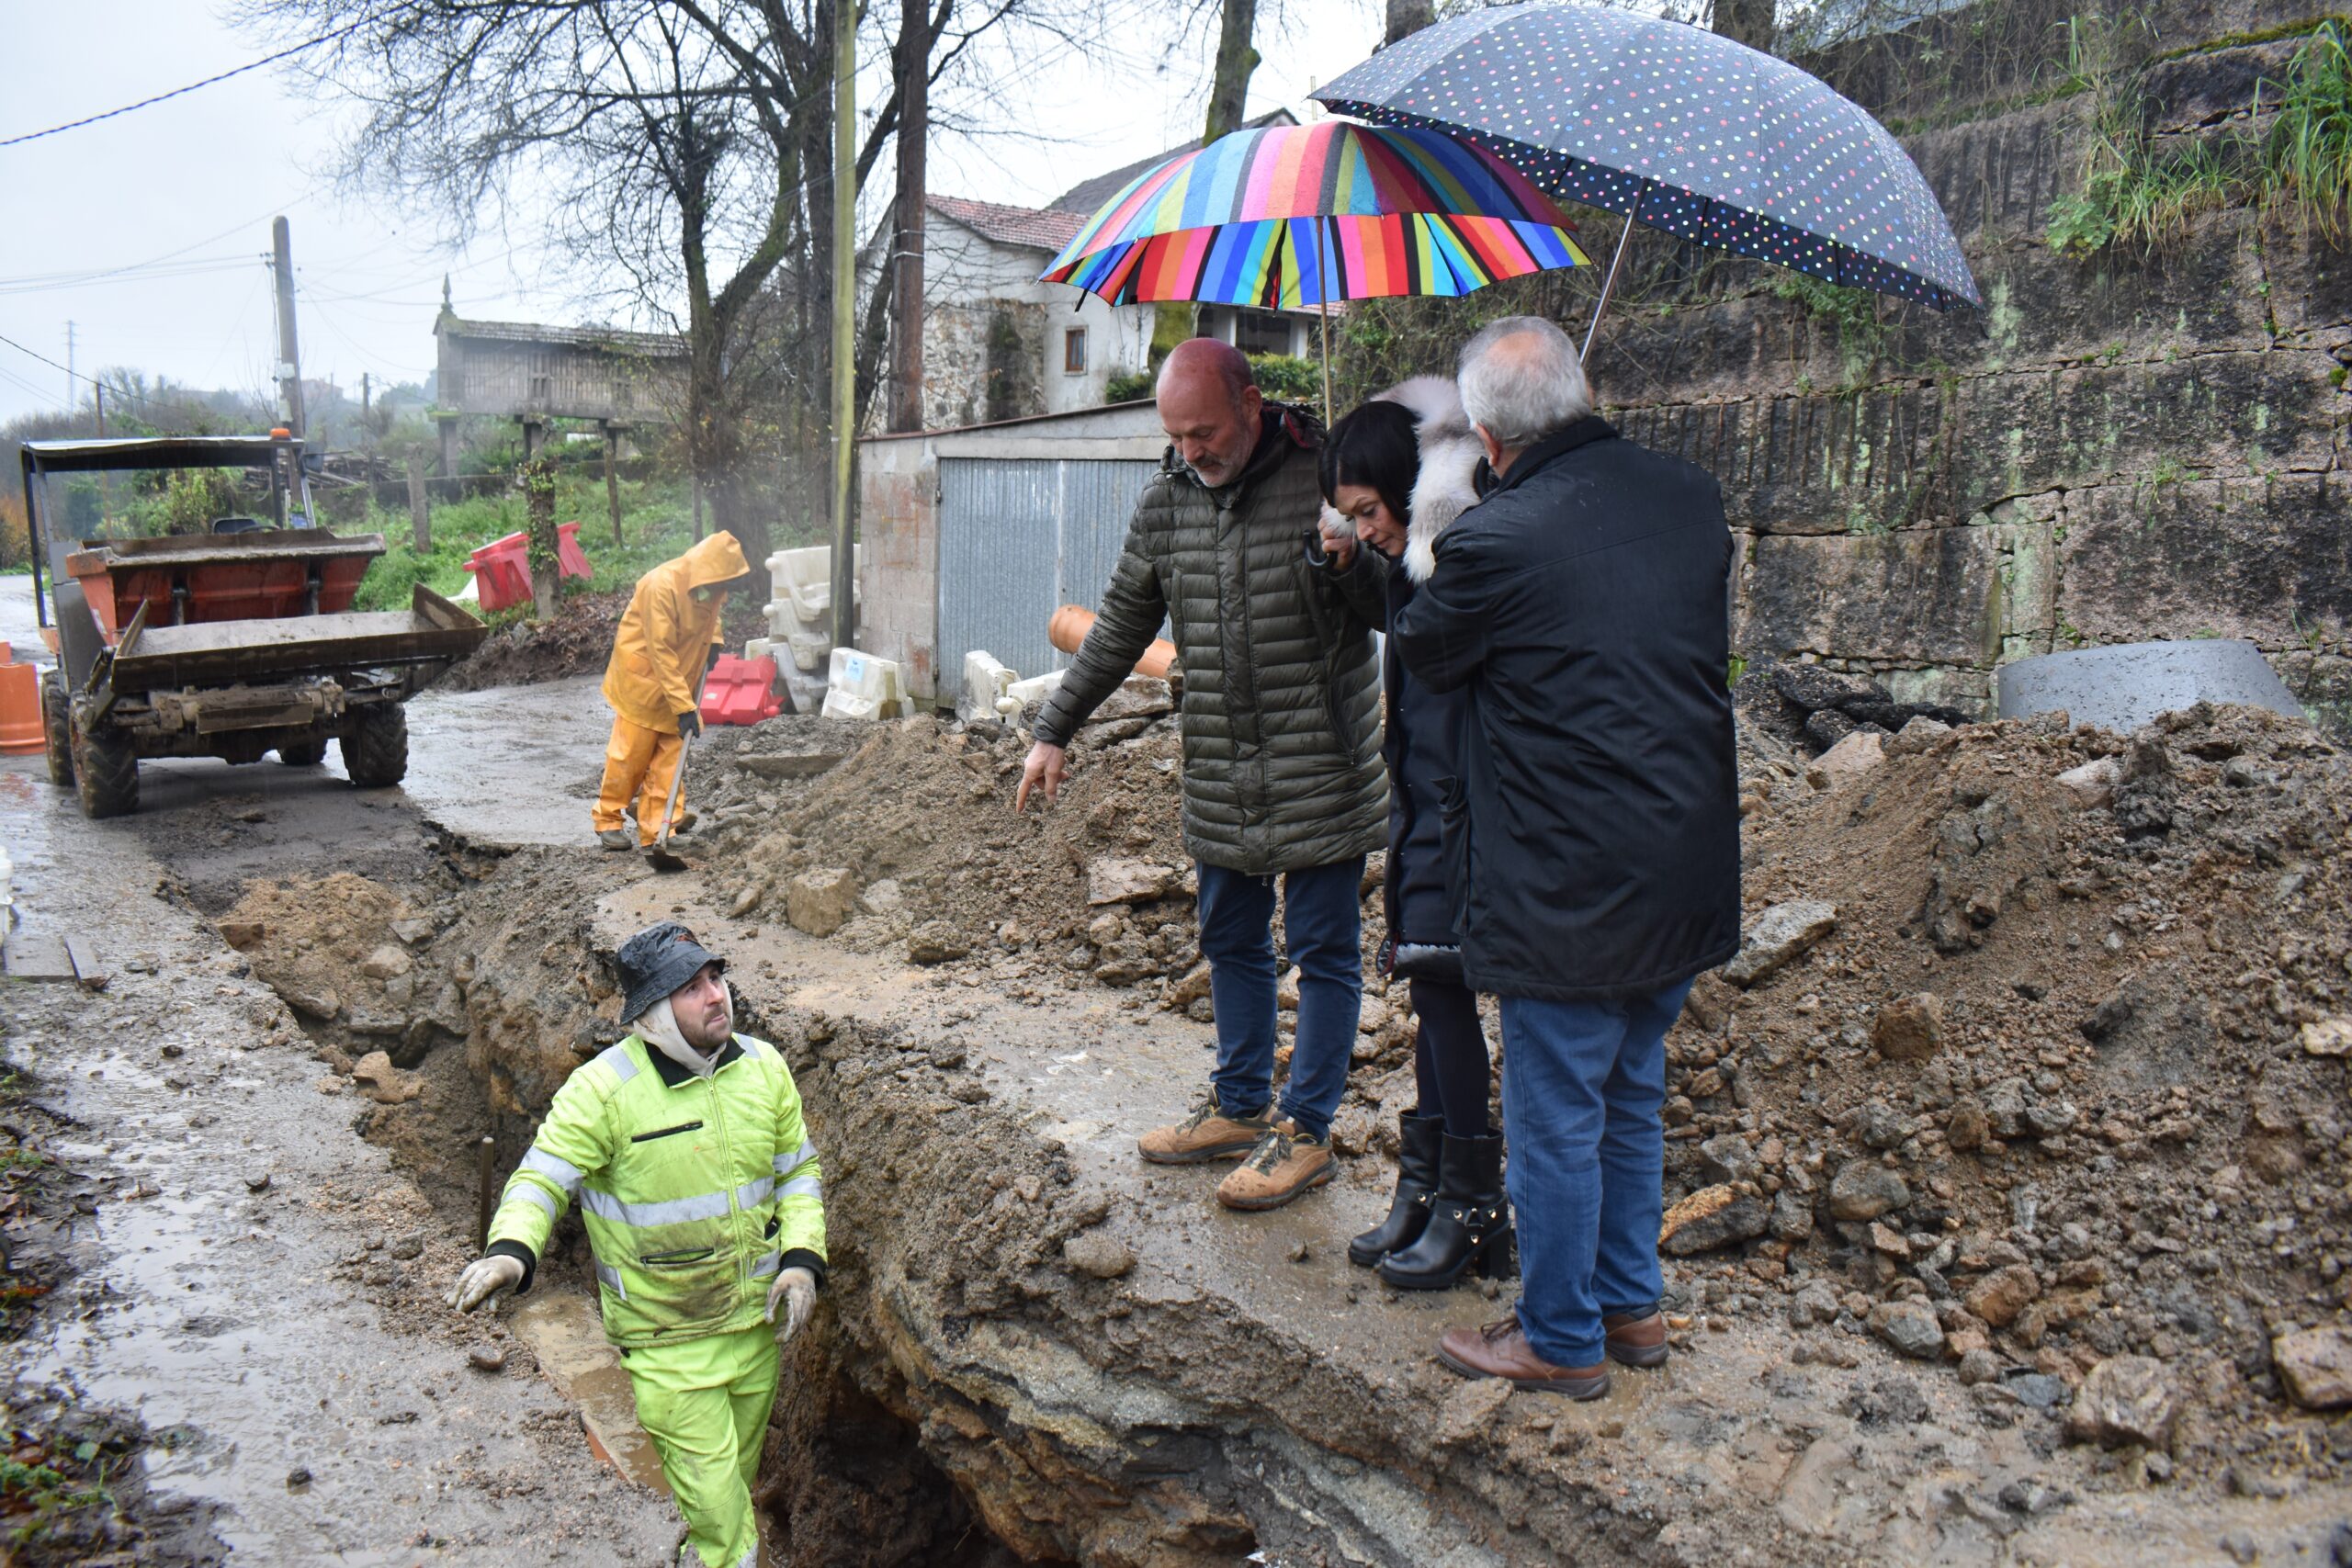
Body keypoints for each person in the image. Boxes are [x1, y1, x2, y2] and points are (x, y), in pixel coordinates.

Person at [1389, 316, 1740, 1399]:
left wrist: (1439, 526)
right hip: (1680, 864)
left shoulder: (1497, 539)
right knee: (1629, 1095)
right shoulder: (1688, 497)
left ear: (1488, 436)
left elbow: (1425, 649)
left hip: (1565, 888)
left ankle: (1557, 1336)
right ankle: (1629, 1307)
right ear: (1580, 397)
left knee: (1554, 1118)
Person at [1016, 337, 1387, 1213]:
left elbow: (1393, 605)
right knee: (1230, 939)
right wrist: (1053, 729)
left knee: (1325, 951)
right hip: (1221, 762)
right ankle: (1239, 1103)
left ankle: (1307, 1130)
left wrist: (1349, 558)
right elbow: (1118, 628)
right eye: (1176, 437)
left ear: (1251, 405)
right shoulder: (1168, 502)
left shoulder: (1325, 482)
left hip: (1322, 759)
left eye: (1205, 433)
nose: (1191, 451)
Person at [447, 921, 826, 1568]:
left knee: (731, 1490)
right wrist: (511, 1250)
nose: (716, 995)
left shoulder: (765, 1068)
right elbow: (542, 1178)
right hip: (668, 1345)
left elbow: (798, 1173)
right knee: (725, 1528)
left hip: (756, 1334)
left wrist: (801, 1262)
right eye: (691, 987)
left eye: (715, 977)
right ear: (653, 1013)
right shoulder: (604, 1090)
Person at [1316, 380, 1507, 1291]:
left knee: (1442, 991)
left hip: (1461, 807)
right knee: (1432, 992)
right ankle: (1428, 1185)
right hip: (1425, 802)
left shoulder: (1464, 561)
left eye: (1369, 511)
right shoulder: (1415, 565)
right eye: (1349, 515)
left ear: (1407, 487)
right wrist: (1355, 562)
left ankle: (1473, 1202)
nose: (1365, 528)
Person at [594, 532, 752, 849]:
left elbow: (712, 617)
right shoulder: (661, 586)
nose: (725, 591)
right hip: (643, 683)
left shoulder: (710, 587)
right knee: (629, 758)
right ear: (710, 570)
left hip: (679, 681)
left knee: (669, 761)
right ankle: (608, 819)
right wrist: (684, 707)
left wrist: (714, 641)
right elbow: (660, 651)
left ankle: (658, 830)